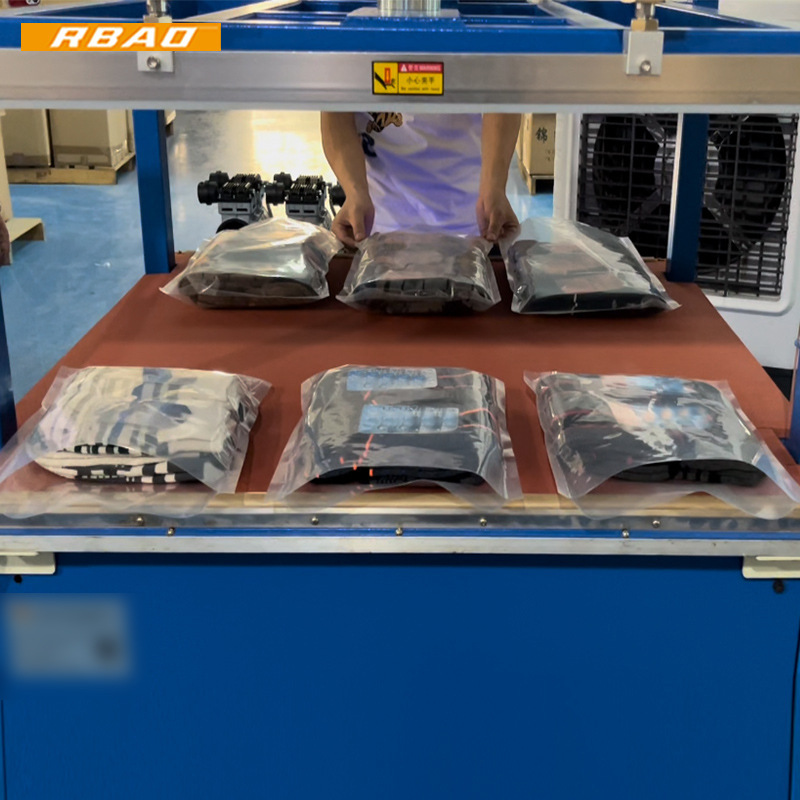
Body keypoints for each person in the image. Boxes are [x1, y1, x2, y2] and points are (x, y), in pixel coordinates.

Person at [321, 112, 521, 247]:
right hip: (376, 225)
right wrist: (354, 192)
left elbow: (501, 94)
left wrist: (494, 187)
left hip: (472, 222)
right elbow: (336, 108)